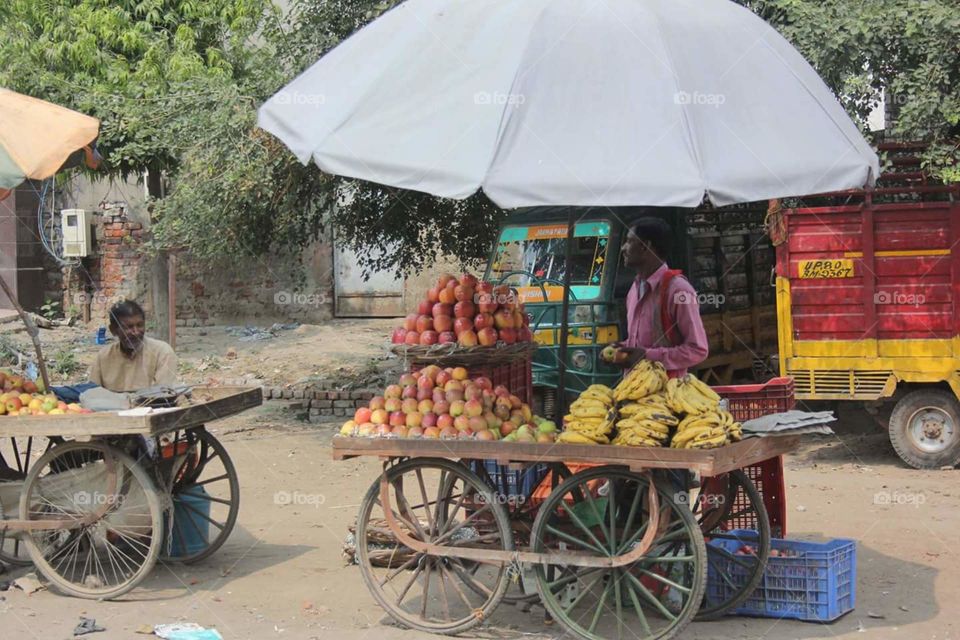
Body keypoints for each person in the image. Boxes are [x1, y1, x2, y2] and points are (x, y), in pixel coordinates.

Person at [611, 217, 709, 377]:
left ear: (645, 246)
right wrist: (622, 348)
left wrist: (646, 356)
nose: (623, 248)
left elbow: (698, 349)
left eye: (629, 242)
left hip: (667, 394)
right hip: (634, 389)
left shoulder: (679, 290)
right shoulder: (634, 289)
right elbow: (641, 344)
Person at [89, 299, 177, 392]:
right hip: (112, 406)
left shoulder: (162, 352)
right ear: (113, 330)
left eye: (140, 325)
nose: (135, 332)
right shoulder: (103, 356)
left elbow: (164, 394)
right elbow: (92, 394)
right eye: (128, 327)